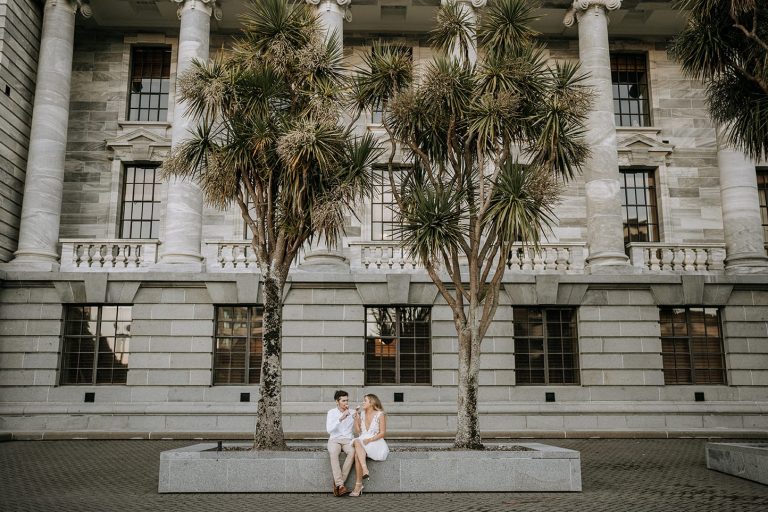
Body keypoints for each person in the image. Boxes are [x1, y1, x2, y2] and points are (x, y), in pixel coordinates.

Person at [349, 393, 389, 497]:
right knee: (357, 442)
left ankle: (358, 485)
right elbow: (358, 431)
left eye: (365, 400)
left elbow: (382, 433)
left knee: (357, 454)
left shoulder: (380, 414)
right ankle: (364, 470)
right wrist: (356, 419)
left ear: (372, 402)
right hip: (362, 441)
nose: (363, 402)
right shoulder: (362, 414)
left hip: (376, 442)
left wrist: (370, 439)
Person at [326, 389, 356, 497]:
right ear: (337, 402)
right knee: (334, 453)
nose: (346, 403)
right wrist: (341, 418)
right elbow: (329, 430)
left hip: (348, 440)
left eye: (347, 400)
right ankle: (340, 485)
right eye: (343, 401)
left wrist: (357, 418)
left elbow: (359, 428)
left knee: (352, 452)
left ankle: (338, 484)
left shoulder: (352, 412)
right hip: (334, 439)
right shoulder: (331, 412)